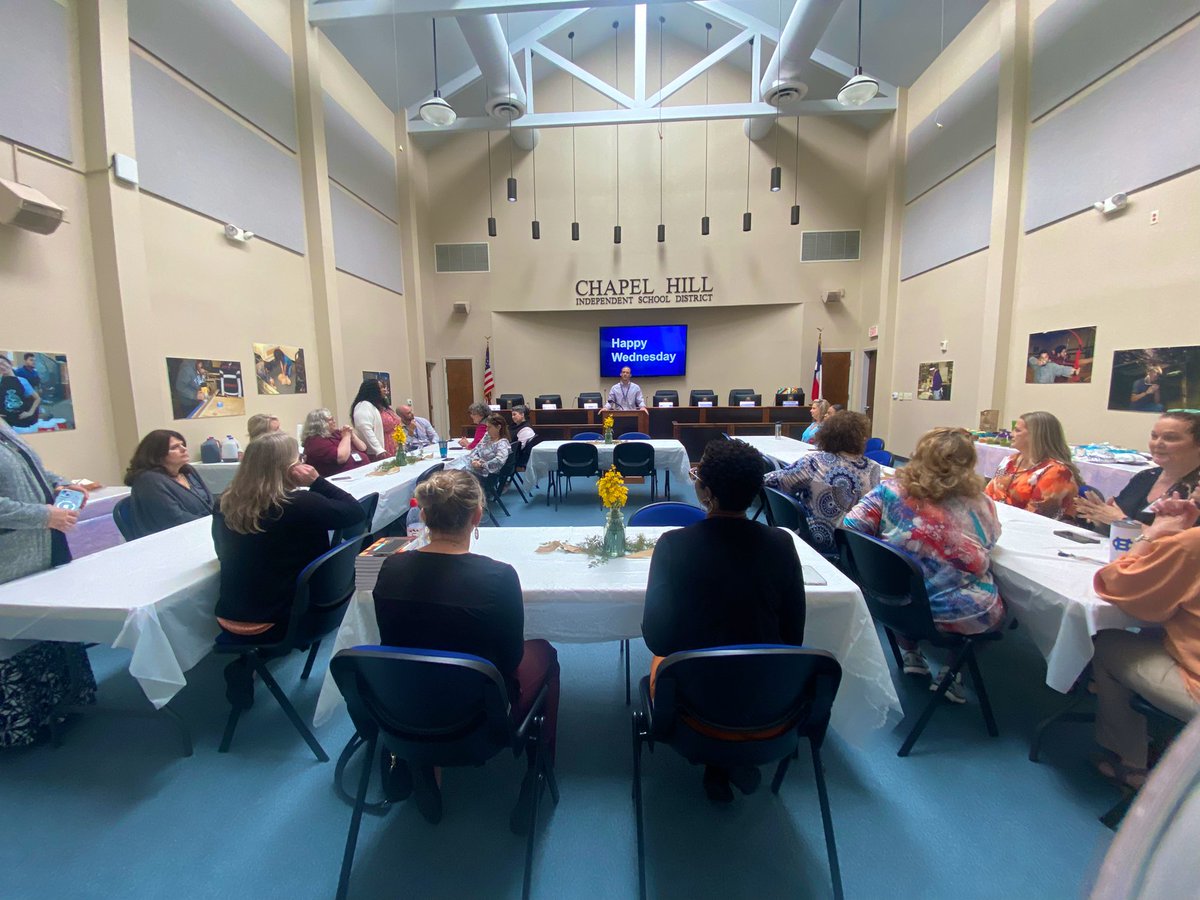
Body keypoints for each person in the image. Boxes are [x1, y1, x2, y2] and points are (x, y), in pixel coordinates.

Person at [372, 469, 560, 822]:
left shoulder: (390, 568)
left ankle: (426, 762)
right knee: (545, 654)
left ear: (423, 516)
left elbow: (392, 640)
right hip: (480, 714)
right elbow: (511, 658)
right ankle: (537, 766)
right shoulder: (499, 576)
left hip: (406, 702)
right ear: (477, 516)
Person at [642, 437, 806, 803]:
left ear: (706, 492)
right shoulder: (782, 544)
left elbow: (658, 640)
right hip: (767, 699)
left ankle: (720, 760)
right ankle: (729, 760)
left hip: (693, 702)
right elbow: (793, 637)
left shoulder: (673, 545)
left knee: (679, 663)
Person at [844, 427, 1004, 703]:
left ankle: (910, 651)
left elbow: (851, 526)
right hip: (955, 614)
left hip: (891, 602)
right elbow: (990, 542)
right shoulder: (981, 503)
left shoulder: (890, 491)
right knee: (1000, 605)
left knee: (900, 576)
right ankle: (951, 672)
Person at [212, 432, 365, 704]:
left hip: (231, 614)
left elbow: (221, 551)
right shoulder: (299, 504)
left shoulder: (225, 502)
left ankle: (250, 663)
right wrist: (317, 481)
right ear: (289, 468)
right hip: (293, 617)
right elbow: (354, 512)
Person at [1091, 496, 1200, 788]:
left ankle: (1130, 762)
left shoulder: (1193, 544)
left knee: (1108, 641)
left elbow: (1116, 582)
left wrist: (1150, 536)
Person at [0, 418, 96, 748]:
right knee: (14, 640)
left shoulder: (4, 428)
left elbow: (34, 471)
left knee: (49, 631)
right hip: (10, 560)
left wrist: (62, 485)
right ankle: (24, 726)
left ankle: (62, 707)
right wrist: (44, 515)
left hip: (39, 552)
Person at [765, 410, 881, 553]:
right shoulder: (874, 468)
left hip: (819, 540)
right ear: (862, 438)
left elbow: (775, 482)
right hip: (860, 548)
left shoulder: (815, 462)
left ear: (828, 434)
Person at [1078, 412, 1200, 528]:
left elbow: (1185, 543)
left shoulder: (1197, 491)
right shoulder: (1145, 477)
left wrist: (1122, 521)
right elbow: (1111, 519)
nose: (1158, 443)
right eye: (1154, 436)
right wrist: (1098, 516)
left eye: (1170, 438)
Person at [985, 411, 1081, 519]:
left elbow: (1035, 516)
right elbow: (988, 497)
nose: (1011, 434)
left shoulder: (1056, 472)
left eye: (1017, 430)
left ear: (1035, 435)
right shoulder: (1010, 461)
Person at [124, 430, 215, 536]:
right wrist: (213, 525)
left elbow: (210, 503)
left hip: (203, 529)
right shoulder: (149, 481)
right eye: (175, 447)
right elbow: (173, 519)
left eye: (182, 444)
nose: (183, 449)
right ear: (157, 455)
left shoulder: (188, 471)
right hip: (175, 537)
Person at [300, 408, 370, 478]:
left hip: (361, 472)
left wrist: (352, 436)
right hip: (341, 479)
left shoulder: (336, 433)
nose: (334, 421)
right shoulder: (315, 441)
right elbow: (341, 458)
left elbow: (363, 448)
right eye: (331, 420)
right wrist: (346, 437)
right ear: (320, 423)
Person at [451, 414, 510, 480]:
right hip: (475, 467)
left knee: (455, 476)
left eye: (489, 427)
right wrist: (475, 460)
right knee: (453, 469)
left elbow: (499, 461)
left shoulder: (502, 443)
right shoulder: (487, 436)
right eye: (486, 426)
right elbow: (477, 449)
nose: (487, 429)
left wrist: (481, 465)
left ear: (498, 427)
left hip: (486, 474)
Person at [351, 379, 390, 459]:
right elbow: (366, 429)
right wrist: (379, 450)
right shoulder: (363, 406)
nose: (384, 390)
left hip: (375, 452)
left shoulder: (371, 406)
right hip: (371, 454)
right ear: (373, 390)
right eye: (382, 387)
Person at [0, 354, 40, 427]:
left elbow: (37, 398)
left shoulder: (22, 381)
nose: (1, 366)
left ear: (9, 363)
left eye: (3, 363)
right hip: (5, 423)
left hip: (21, 422)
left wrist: (30, 413)